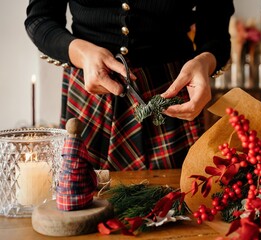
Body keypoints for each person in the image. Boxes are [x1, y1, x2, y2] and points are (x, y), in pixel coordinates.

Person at [25, 0, 235, 171]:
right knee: (81, 200)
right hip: (91, 90)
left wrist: (205, 61)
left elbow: (216, 34)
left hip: (169, 93)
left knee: (178, 208)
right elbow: (40, 19)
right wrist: (81, 53)